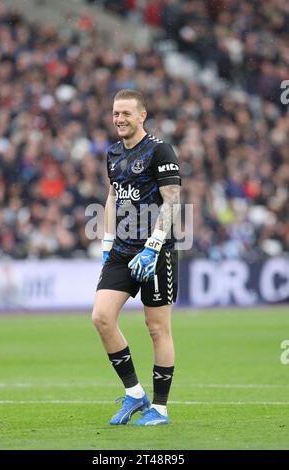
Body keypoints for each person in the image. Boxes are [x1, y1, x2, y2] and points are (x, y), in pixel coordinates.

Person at [92, 89, 181, 425]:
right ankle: (134, 394)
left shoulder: (160, 150)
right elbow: (114, 196)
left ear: (142, 115)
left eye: (126, 113)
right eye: (116, 113)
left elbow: (172, 201)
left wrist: (154, 245)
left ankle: (159, 409)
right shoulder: (113, 153)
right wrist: (106, 241)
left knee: (157, 329)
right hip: (122, 251)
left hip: (155, 253)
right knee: (101, 317)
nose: (119, 119)